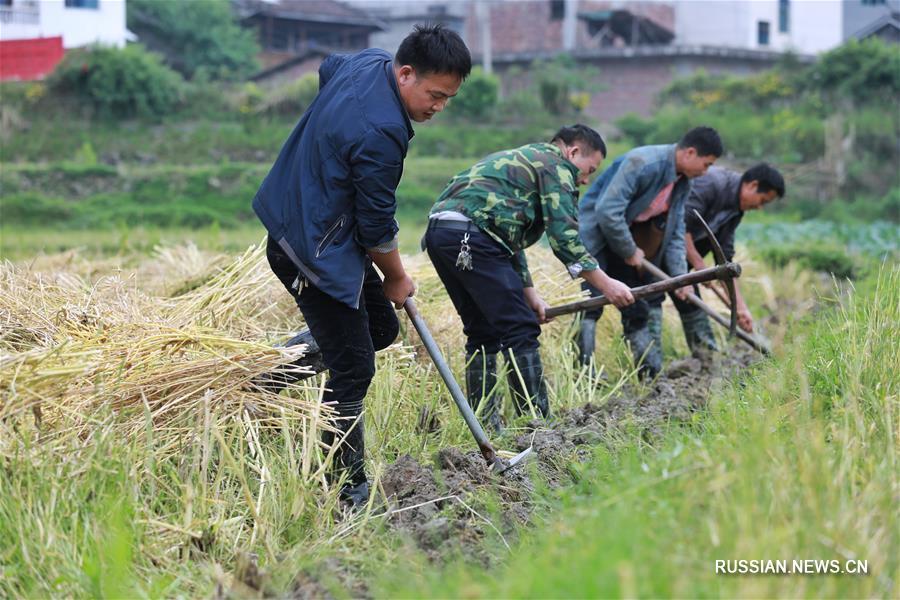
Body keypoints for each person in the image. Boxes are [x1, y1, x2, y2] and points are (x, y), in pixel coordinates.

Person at [253, 25, 471, 507]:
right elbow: (375, 226)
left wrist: (328, 140)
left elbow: (328, 67)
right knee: (354, 366)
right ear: (406, 73)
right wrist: (396, 276)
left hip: (311, 227)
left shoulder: (368, 63)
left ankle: (269, 374)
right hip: (309, 250)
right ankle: (346, 490)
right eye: (435, 95)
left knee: (378, 329)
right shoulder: (383, 132)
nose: (439, 107)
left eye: (448, 99)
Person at [423, 125, 634, 431]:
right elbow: (565, 238)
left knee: (483, 331)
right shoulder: (557, 166)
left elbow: (509, 237)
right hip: (474, 236)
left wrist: (529, 293)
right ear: (573, 152)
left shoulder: (527, 159)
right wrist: (606, 283)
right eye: (589, 170)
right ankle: (535, 425)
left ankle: (485, 425)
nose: (586, 180)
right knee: (520, 327)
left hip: (443, 233)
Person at [576, 126, 724, 379]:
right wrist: (629, 250)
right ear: (690, 152)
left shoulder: (682, 183)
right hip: (597, 236)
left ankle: (650, 376)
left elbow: (675, 233)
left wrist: (680, 278)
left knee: (636, 306)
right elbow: (607, 211)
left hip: (625, 239)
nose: (705, 171)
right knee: (590, 306)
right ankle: (582, 375)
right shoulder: (643, 163)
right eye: (706, 164)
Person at [654, 163, 786, 354]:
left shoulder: (735, 211)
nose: (759, 207)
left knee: (691, 303)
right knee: (646, 305)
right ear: (752, 185)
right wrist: (700, 266)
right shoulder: (711, 184)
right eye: (762, 200)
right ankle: (649, 372)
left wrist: (740, 308)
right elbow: (681, 228)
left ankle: (706, 359)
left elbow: (725, 262)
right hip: (654, 247)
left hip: (680, 262)